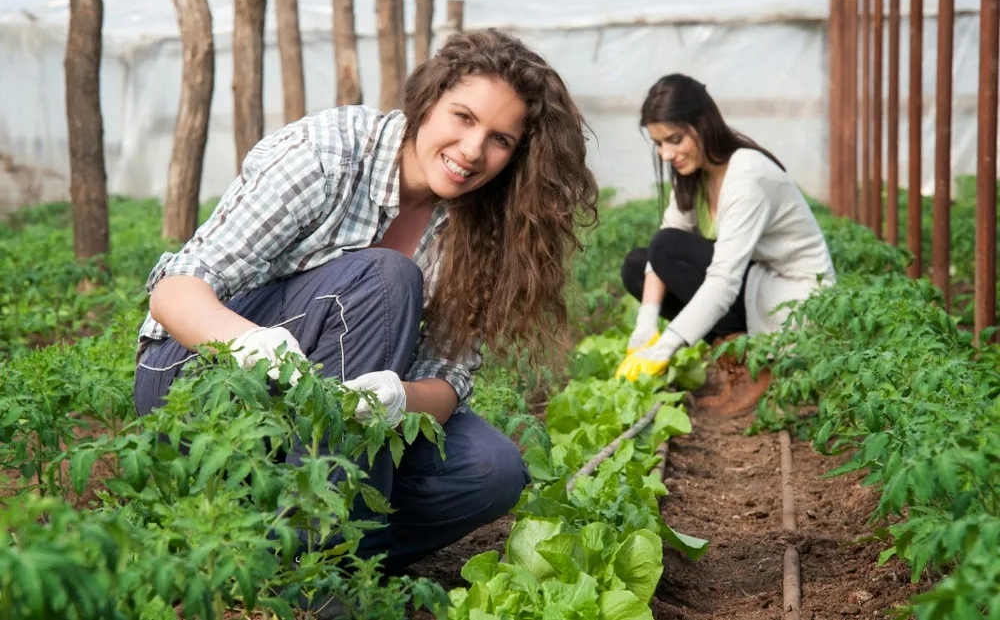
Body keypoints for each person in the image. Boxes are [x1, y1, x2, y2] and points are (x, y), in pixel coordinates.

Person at [133, 29, 599, 576]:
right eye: (463, 117)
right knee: (385, 278)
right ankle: (329, 573)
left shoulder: (488, 226)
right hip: (199, 381)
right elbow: (175, 290)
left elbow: (448, 378)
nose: (473, 151)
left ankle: (272, 549)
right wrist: (250, 343)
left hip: (324, 417)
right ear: (427, 101)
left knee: (490, 471)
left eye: (501, 139)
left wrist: (397, 398)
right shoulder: (329, 154)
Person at [616, 73, 835, 386]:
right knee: (638, 266)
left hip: (793, 303)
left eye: (674, 140)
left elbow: (723, 280)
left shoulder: (747, 175)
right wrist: (646, 324)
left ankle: (752, 366)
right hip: (755, 288)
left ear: (703, 125)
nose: (666, 154)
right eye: (659, 144)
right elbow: (664, 243)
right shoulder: (695, 173)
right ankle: (731, 350)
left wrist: (666, 347)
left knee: (667, 248)